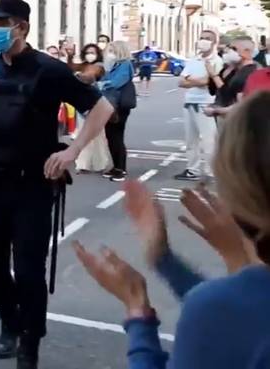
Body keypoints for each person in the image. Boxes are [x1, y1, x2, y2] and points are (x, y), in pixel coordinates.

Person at [0, 0, 114, 369]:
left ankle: (29, 343)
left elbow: (102, 108)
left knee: (27, 270)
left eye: (2, 24)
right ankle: (9, 320)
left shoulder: (49, 70)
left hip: (32, 189)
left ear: (22, 27)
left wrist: (71, 151)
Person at [75, 91, 270, 369]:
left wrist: (137, 313)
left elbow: (229, 316)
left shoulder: (219, 305)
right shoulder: (233, 302)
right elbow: (242, 317)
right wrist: (163, 259)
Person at [174, 30, 223, 182]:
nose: (203, 41)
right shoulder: (193, 60)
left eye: (208, 39)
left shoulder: (217, 60)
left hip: (206, 103)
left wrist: (193, 80)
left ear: (214, 42)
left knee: (209, 141)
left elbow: (207, 82)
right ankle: (192, 169)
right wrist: (198, 80)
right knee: (190, 140)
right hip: (189, 102)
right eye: (202, 38)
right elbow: (181, 81)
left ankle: (213, 172)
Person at [97, 41, 137, 182]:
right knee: (110, 136)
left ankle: (121, 168)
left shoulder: (125, 65)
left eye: (112, 50)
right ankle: (116, 166)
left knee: (116, 136)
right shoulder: (111, 65)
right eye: (109, 50)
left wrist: (102, 84)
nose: (109, 53)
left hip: (120, 105)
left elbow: (117, 82)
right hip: (110, 103)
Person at [73, 44, 111, 174]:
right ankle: (83, 163)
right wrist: (69, 56)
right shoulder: (83, 65)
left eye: (92, 52)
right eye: (88, 52)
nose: (90, 55)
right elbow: (69, 68)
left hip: (97, 104)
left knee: (97, 135)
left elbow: (90, 76)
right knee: (83, 133)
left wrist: (79, 77)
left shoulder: (99, 66)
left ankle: (99, 163)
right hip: (83, 104)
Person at [206, 38, 260, 118]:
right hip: (227, 119)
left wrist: (216, 111)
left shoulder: (250, 73)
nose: (229, 51)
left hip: (238, 121)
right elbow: (221, 91)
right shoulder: (233, 70)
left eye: (234, 49)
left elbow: (242, 105)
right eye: (229, 48)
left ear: (247, 51)